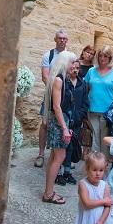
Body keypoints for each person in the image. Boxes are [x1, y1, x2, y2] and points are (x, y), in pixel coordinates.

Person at [42, 51, 78, 204]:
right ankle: (48, 194)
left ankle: (48, 191)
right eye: (72, 62)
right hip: (58, 122)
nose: (74, 65)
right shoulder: (59, 80)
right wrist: (64, 128)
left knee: (54, 156)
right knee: (60, 157)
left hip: (61, 121)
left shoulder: (63, 79)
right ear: (65, 63)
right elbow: (57, 107)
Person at [36, 29, 70, 168]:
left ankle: (57, 155)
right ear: (55, 39)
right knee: (44, 124)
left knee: (64, 123)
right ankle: (41, 153)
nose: (62, 40)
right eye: (59, 38)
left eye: (64, 38)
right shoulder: (48, 56)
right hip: (50, 95)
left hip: (63, 96)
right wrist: (55, 91)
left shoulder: (69, 56)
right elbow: (45, 76)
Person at [85, 46, 113, 160]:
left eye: (106, 56)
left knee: (105, 139)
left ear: (110, 57)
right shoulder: (91, 71)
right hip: (92, 109)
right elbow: (86, 89)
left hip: (107, 112)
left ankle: (103, 167)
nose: (103, 58)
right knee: (95, 138)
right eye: (100, 55)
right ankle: (95, 166)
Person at [56, 57, 90, 186]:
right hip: (65, 119)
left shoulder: (82, 83)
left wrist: (79, 116)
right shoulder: (64, 83)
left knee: (71, 147)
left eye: (77, 68)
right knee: (62, 147)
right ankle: (58, 174)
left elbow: (85, 102)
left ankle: (67, 172)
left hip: (76, 121)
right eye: (73, 67)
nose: (75, 70)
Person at [73, 152, 113, 224]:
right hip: (86, 219)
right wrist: (103, 201)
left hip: (100, 220)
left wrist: (101, 221)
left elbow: (107, 206)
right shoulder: (83, 184)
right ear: (87, 169)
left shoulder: (105, 185)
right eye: (94, 170)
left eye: (101, 170)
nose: (98, 173)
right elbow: (87, 203)